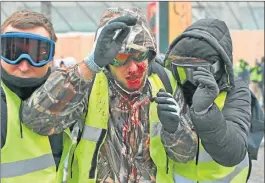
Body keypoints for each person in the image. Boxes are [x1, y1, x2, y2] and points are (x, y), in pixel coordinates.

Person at [21, 7, 198, 183]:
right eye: (119, 58)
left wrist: (175, 130)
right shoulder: (86, 83)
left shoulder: (164, 83)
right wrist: (89, 66)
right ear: (105, 59)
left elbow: (185, 156)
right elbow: (36, 121)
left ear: (150, 53)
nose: (132, 68)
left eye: (139, 55)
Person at [164, 18, 251, 182]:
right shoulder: (172, 82)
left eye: (199, 71)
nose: (189, 81)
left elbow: (233, 152)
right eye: (182, 70)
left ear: (219, 67)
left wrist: (205, 112)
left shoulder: (235, 90)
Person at [1, 10, 72, 182]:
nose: (24, 66)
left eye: (36, 54)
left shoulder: (66, 95)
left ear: (50, 58)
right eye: (13, 52)